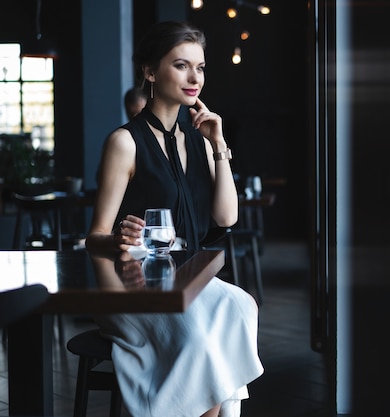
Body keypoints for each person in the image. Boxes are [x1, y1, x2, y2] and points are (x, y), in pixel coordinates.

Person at [85, 21, 263, 417]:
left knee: (242, 306)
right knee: (202, 342)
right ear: (151, 71)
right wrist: (117, 240)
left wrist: (219, 144)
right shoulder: (124, 142)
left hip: (189, 279)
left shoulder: (200, 138)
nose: (193, 77)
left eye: (200, 67)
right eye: (181, 65)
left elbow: (227, 217)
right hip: (135, 287)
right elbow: (94, 235)